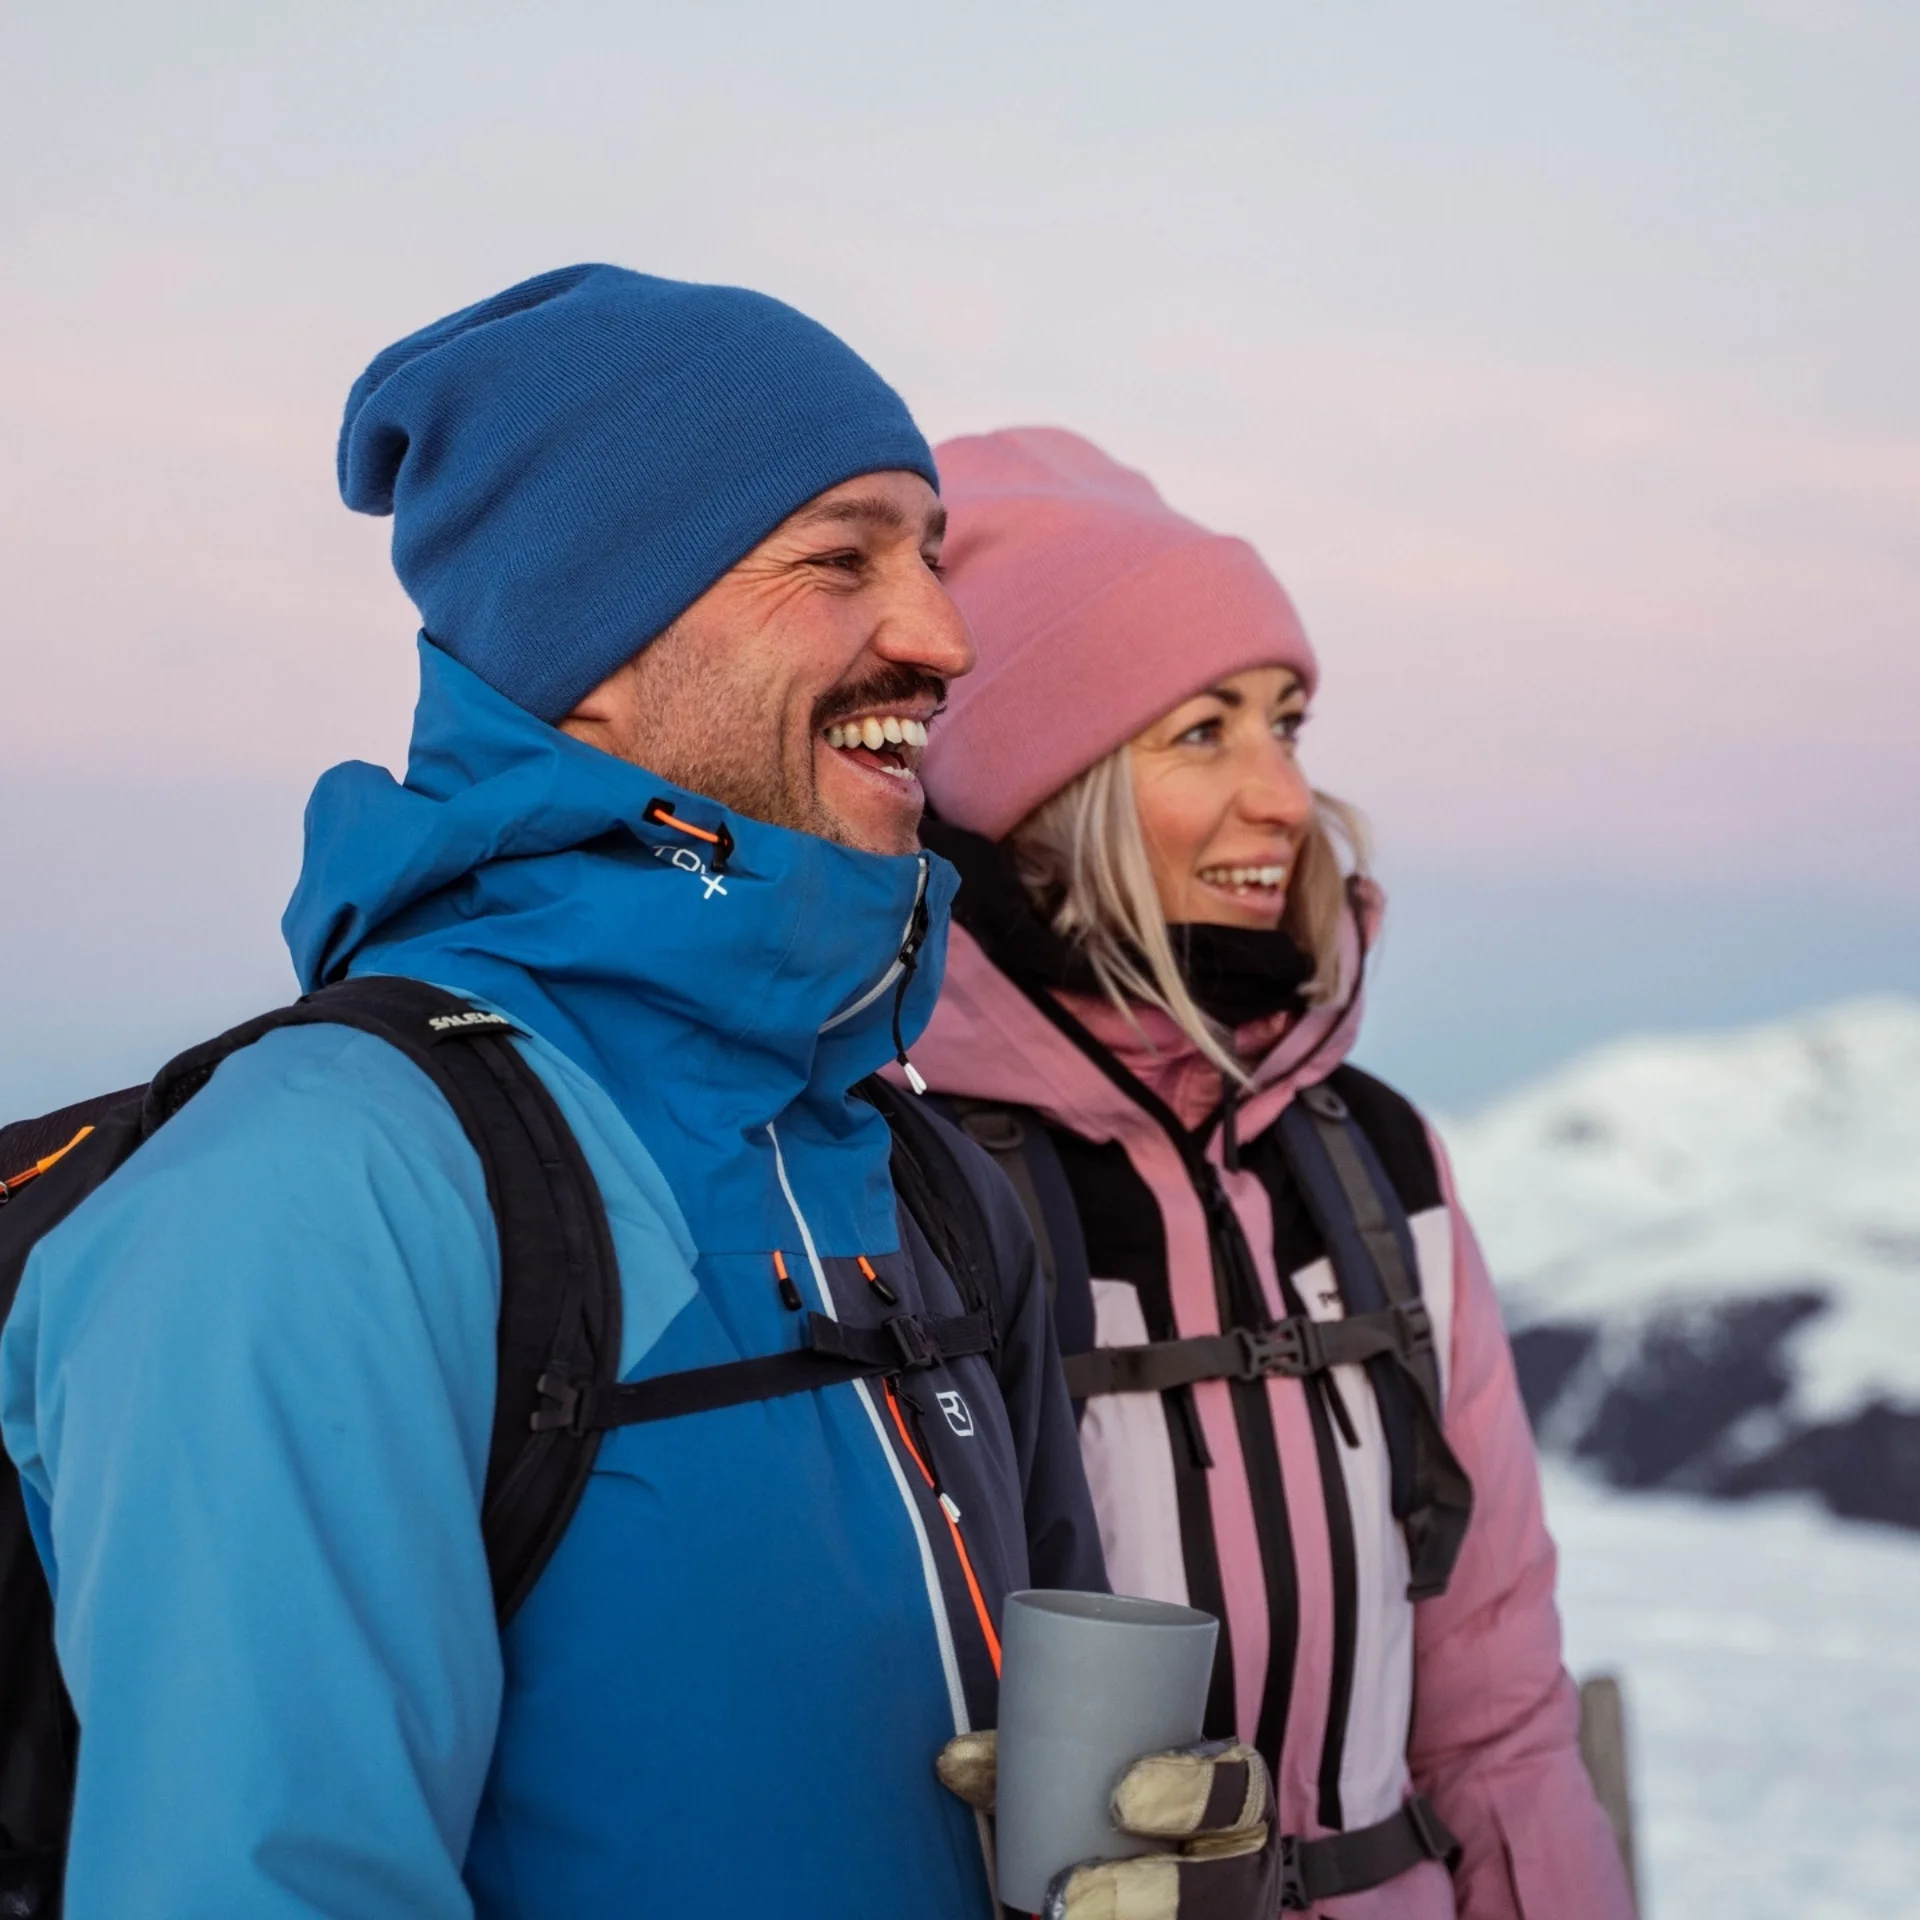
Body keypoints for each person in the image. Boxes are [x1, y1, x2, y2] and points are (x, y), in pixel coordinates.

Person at [0, 273, 1282, 1919]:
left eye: (933, 556)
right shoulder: (327, 1187)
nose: (944, 638)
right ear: (593, 642)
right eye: (841, 557)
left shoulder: (912, 1174)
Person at [909, 427, 1636, 1918]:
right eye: (1202, 733)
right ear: (1039, 790)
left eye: (1286, 724)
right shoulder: (904, 1175)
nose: (1283, 800)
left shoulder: (1375, 1162)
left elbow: (1496, 1712)